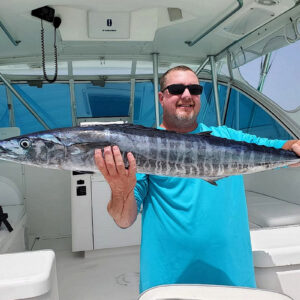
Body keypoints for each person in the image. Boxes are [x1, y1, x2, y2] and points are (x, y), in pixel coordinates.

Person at [94, 65, 300, 293]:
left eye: (194, 89)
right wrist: (120, 189)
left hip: (233, 275)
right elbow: (124, 220)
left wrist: (294, 146)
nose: (186, 95)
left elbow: (284, 148)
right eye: (177, 89)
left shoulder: (228, 137)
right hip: (168, 280)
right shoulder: (142, 148)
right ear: (162, 97)